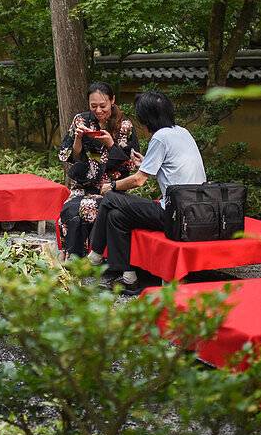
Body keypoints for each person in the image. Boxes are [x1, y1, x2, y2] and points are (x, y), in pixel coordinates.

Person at [87, 91, 207, 290]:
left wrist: (112, 186)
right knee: (117, 217)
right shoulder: (182, 132)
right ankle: (128, 278)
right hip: (195, 209)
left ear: (147, 118)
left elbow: (139, 180)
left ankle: (95, 254)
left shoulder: (160, 137)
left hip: (174, 214)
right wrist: (145, 162)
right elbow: (172, 167)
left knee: (111, 199)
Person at [57, 82, 139, 258]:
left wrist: (111, 144)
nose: (98, 110)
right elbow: (68, 156)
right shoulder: (81, 120)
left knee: (85, 207)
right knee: (70, 209)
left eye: (103, 106)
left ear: (113, 100)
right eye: (93, 106)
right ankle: (75, 257)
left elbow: (131, 164)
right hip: (84, 186)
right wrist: (78, 139)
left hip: (113, 189)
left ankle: (82, 256)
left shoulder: (125, 126)